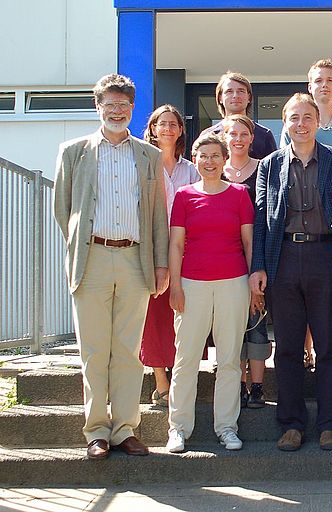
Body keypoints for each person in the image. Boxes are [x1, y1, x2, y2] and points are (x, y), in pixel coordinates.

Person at [53, 74, 169, 460]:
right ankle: (96, 431)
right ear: (97, 107)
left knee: (127, 350)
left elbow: (157, 215)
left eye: (124, 105)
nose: (117, 111)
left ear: (132, 109)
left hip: (136, 259)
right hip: (93, 259)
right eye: (110, 105)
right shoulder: (74, 152)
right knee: (94, 348)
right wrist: (80, 249)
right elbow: (64, 210)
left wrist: (160, 263)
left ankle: (124, 429)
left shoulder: (147, 155)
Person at [250, 93, 332, 452]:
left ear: (317, 121)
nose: (301, 124)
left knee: (327, 346)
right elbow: (262, 220)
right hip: (284, 259)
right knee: (289, 347)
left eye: (307, 117)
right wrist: (258, 266)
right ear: (285, 123)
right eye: (294, 118)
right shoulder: (269, 165)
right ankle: (291, 424)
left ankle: (329, 424)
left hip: (325, 256)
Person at [165, 133, 255, 453]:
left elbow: (248, 243)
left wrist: (253, 281)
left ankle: (227, 427)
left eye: (216, 155)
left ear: (225, 158)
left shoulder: (240, 195)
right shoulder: (184, 196)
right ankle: (178, 428)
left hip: (233, 283)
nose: (210, 161)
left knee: (229, 359)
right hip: (192, 284)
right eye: (203, 156)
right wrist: (175, 285)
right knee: (186, 358)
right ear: (195, 159)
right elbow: (176, 244)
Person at [280, 58, 332, 367]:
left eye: (329, 80)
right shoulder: (282, 147)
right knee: (293, 324)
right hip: (291, 243)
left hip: (328, 235)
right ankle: (304, 350)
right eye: (318, 80)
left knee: (329, 317)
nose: (324, 85)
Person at [140, 104, 199, 409]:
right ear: (152, 129)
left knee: (182, 312)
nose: (167, 129)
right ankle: (160, 380)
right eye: (161, 124)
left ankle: (181, 376)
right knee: (154, 314)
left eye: (173, 124)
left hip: (186, 248)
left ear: (180, 131)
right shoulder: (144, 163)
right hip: (151, 247)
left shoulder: (191, 168)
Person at [221, 114, 270, 410]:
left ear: (252, 138)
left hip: (257, 254)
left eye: (244, 134)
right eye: (232, 134)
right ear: (225, 138)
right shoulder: (214, 169)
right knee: (231, 324)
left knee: (257, 319)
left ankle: (257, 387)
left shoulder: (263, 169)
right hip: (224, 258)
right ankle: (238, 383)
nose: (238, 139)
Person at [200, 71, 277, 159]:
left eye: (241, 91)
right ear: (220, 98)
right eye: (229, 91)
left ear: (249, 97)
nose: (235, 95)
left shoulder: (264, 135)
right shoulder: (208, 135)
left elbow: (274, 169)